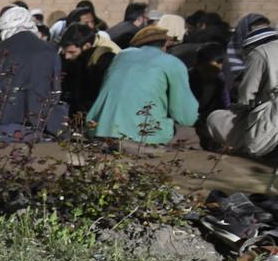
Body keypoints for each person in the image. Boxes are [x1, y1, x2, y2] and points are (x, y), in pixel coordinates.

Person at [87, 25, 198, 151]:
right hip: (141, 138)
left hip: (99, 131)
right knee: (191, 134)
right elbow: (186, 117)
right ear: (164, 45)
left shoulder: (121, 56)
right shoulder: (172, 62)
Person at [0, 6, 65, 142]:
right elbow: (55, 87)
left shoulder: (0, 50)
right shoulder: (49, 50)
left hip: (5, 119)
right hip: (42, 120)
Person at [205, 19, 278, 159]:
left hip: (271, 121)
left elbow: (247, 95)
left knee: (216, 119)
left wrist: (237, 110)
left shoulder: (259, 53)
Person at [59, 23, 116, 117]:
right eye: (65, 52)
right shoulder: (72, 59)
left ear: (87, 46)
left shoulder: (103, 59)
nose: (67, 56)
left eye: (71, 52)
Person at [189, 42, 228, 147]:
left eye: (221, 63)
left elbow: (222, 106)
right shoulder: (188, 79)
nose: (219, 67)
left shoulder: (219, 82)